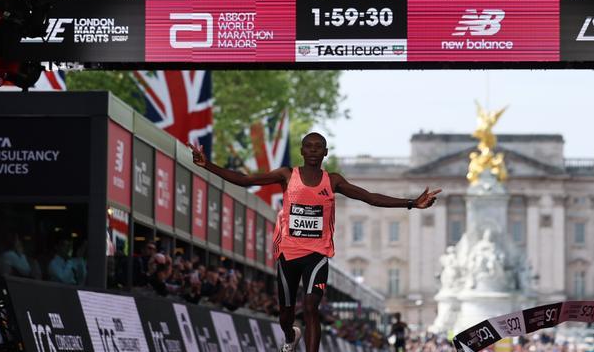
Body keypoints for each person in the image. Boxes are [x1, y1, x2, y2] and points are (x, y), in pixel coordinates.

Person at [189, 132, 441, 352]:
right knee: (286, 315)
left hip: (317, 255)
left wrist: (411, 203)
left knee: (311, 307)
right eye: (308, 146)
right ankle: (290, 336)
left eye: (318, 147)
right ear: (301, 151)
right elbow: (246, 180)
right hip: (288, 254)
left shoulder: (333, 181)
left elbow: (369, 197)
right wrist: (206, 165)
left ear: (325, 152)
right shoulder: (287, 175)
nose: (312, 150)